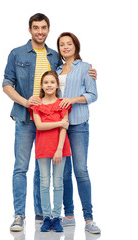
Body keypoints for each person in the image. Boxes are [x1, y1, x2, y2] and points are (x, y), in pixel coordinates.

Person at [2, 13, 97, 232]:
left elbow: (70, 74)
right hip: (27, 117)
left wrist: (90, 72)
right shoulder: (16, 53)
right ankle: (19, 215)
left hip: (54, 120)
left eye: (44, 27)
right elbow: (7, 84)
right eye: (35, 28)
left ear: (48, 29)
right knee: (21, 167)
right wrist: (26, 102)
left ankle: (43, 213)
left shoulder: (55, 56)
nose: (40, 31)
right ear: (30, 30)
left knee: (43, 167)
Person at [55, 32, 101, 234]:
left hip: (79, 123)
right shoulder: (55, 70)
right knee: (64, 172)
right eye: (62, 44)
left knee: (81, 170)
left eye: (69, 43)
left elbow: (93, 95)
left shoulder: (85, 68)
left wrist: (72, 100)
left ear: (75, 46)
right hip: (59, 125)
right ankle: (69, 216)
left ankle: (89, 218)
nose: (65, 47)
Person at [29, 70, 72, 232]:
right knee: (45, 183)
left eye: (52, 82)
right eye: (46, 82)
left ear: (57, 85)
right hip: (43, 147)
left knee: (58, 183)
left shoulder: (63, 103)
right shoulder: (36, 105)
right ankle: (47, 217)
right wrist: (60, 122)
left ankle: (56, 217)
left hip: (60, 148)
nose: (49, 85)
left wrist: (59, 149)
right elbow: (39, 126)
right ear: (41, 85)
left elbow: (65, 127)